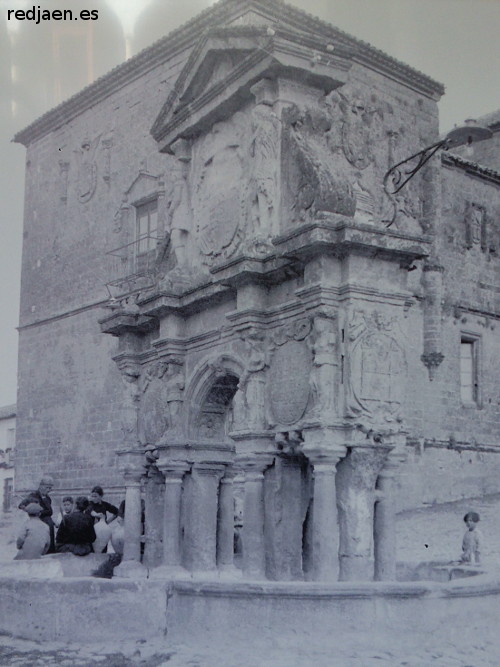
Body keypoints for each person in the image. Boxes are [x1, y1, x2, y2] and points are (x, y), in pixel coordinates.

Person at [18, 476, 56, 553]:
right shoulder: (33, 496)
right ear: (41, 486)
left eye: (50, 488)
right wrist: (30, 509)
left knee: (50, 545)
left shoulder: (48, 498)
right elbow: (21, 505)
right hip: (39, 524)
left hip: (49, 524)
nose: (49, 490)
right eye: (47, 487)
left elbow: (49, 511)